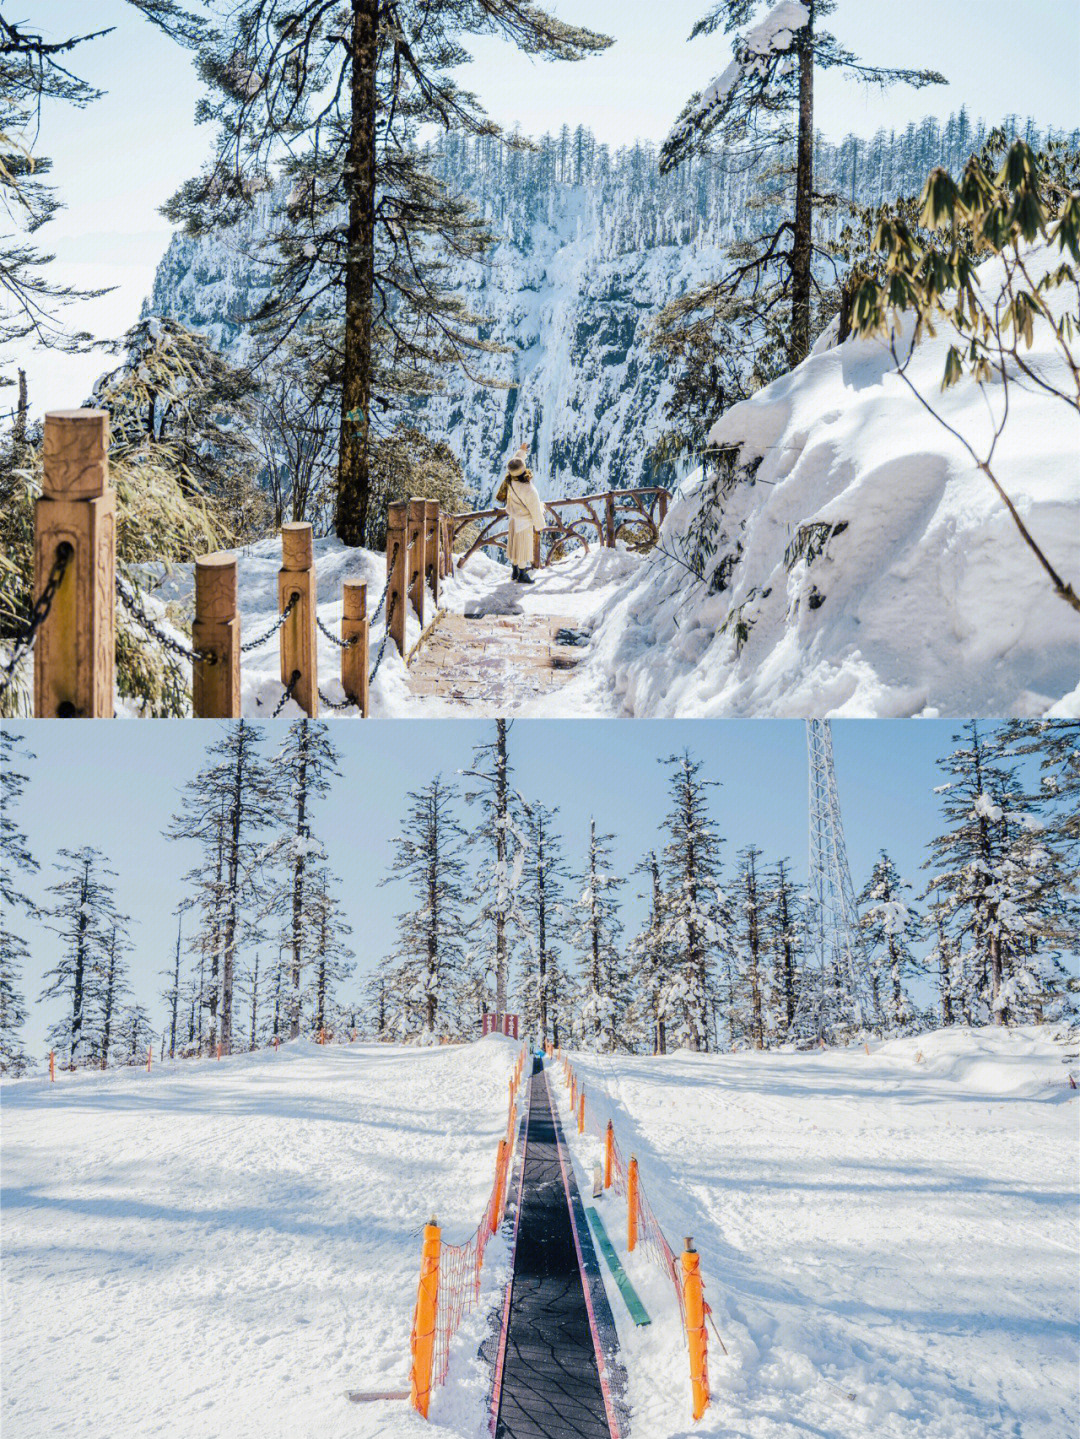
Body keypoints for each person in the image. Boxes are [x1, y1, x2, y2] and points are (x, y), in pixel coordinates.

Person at [498, 441, 546, 584]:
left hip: (513, 518)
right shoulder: (529, 489)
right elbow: (535, 509)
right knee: (523, 548)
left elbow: (515, 463)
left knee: (514, 545)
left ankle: (514, 570)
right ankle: (522, 574)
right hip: (524, 521)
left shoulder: (510, 480)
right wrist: (540, 526)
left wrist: (521, 451)